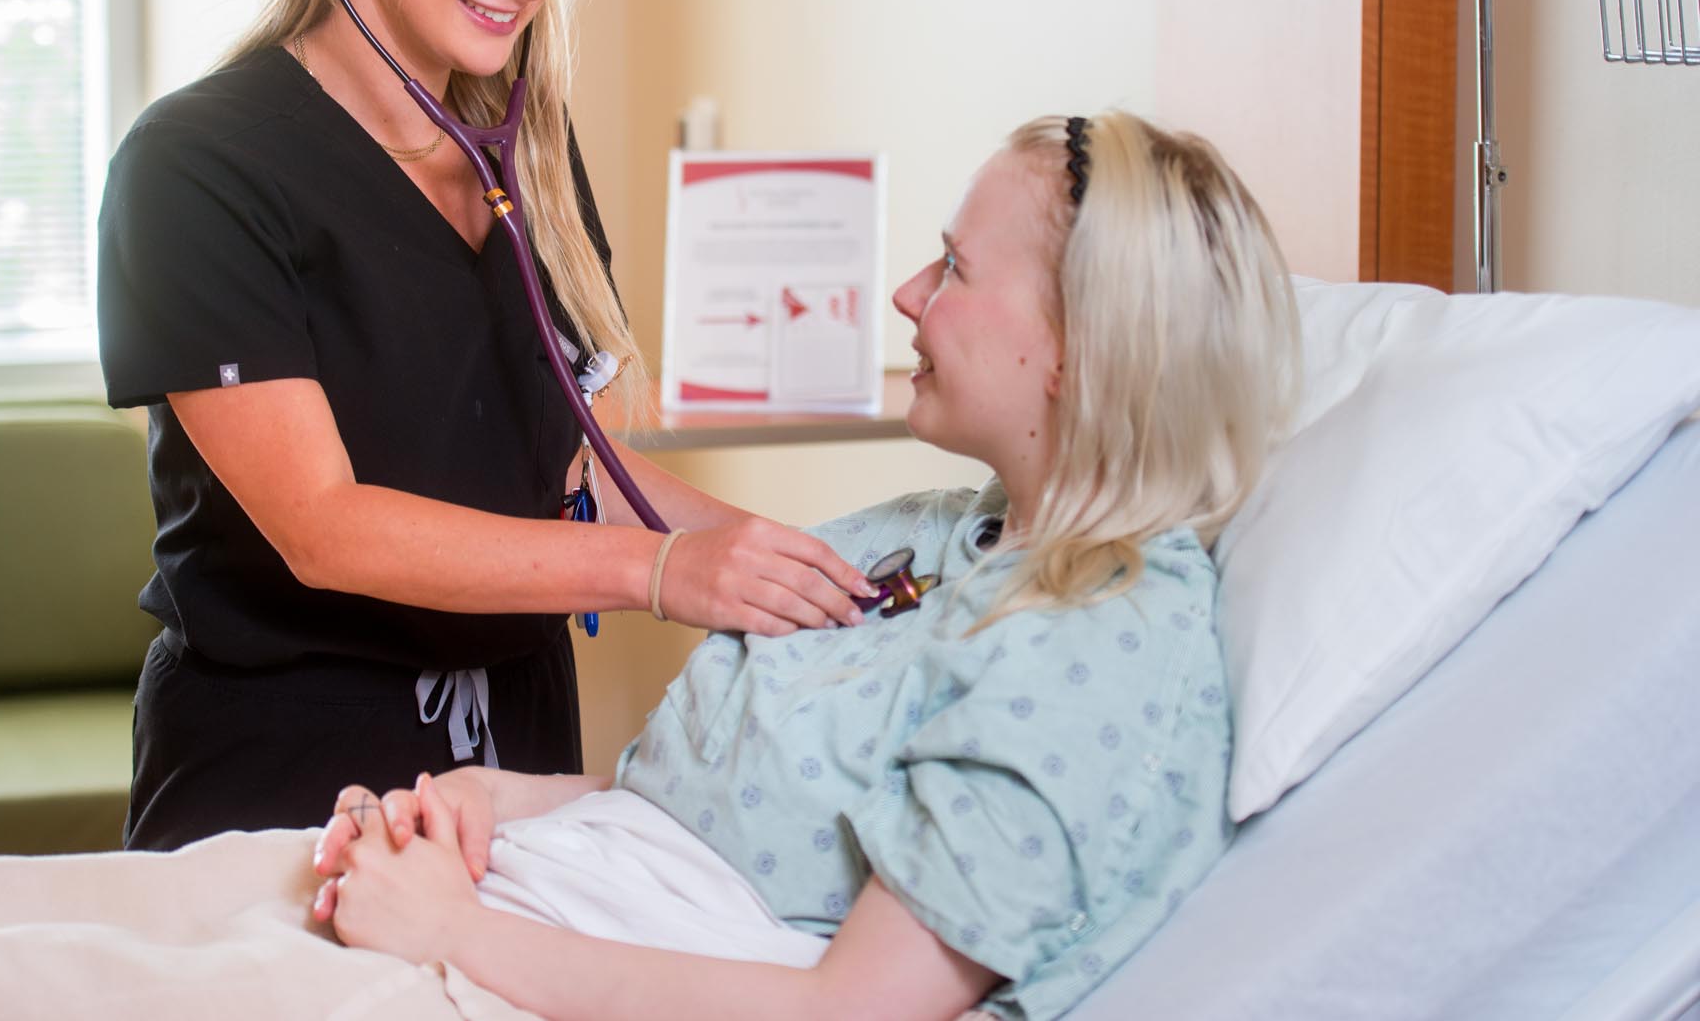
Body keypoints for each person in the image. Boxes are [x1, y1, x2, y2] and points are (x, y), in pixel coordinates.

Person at [310, 112, 1302, 1021]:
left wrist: (450, 930)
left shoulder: (1100, 643)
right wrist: (487, 798)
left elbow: (846, 1008)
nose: (906, 292)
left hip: (528, 952)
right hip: (541, 893)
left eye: (954, 268)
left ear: (1081, 344)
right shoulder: (939, 535)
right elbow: (713, 808)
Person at [95, 0, 874, 851]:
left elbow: (572, 474)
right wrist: (664, 570)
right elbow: (323, 527)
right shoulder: (199, 165)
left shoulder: (525, 153)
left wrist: (810, 574)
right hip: (290, 754)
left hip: (515, 748)